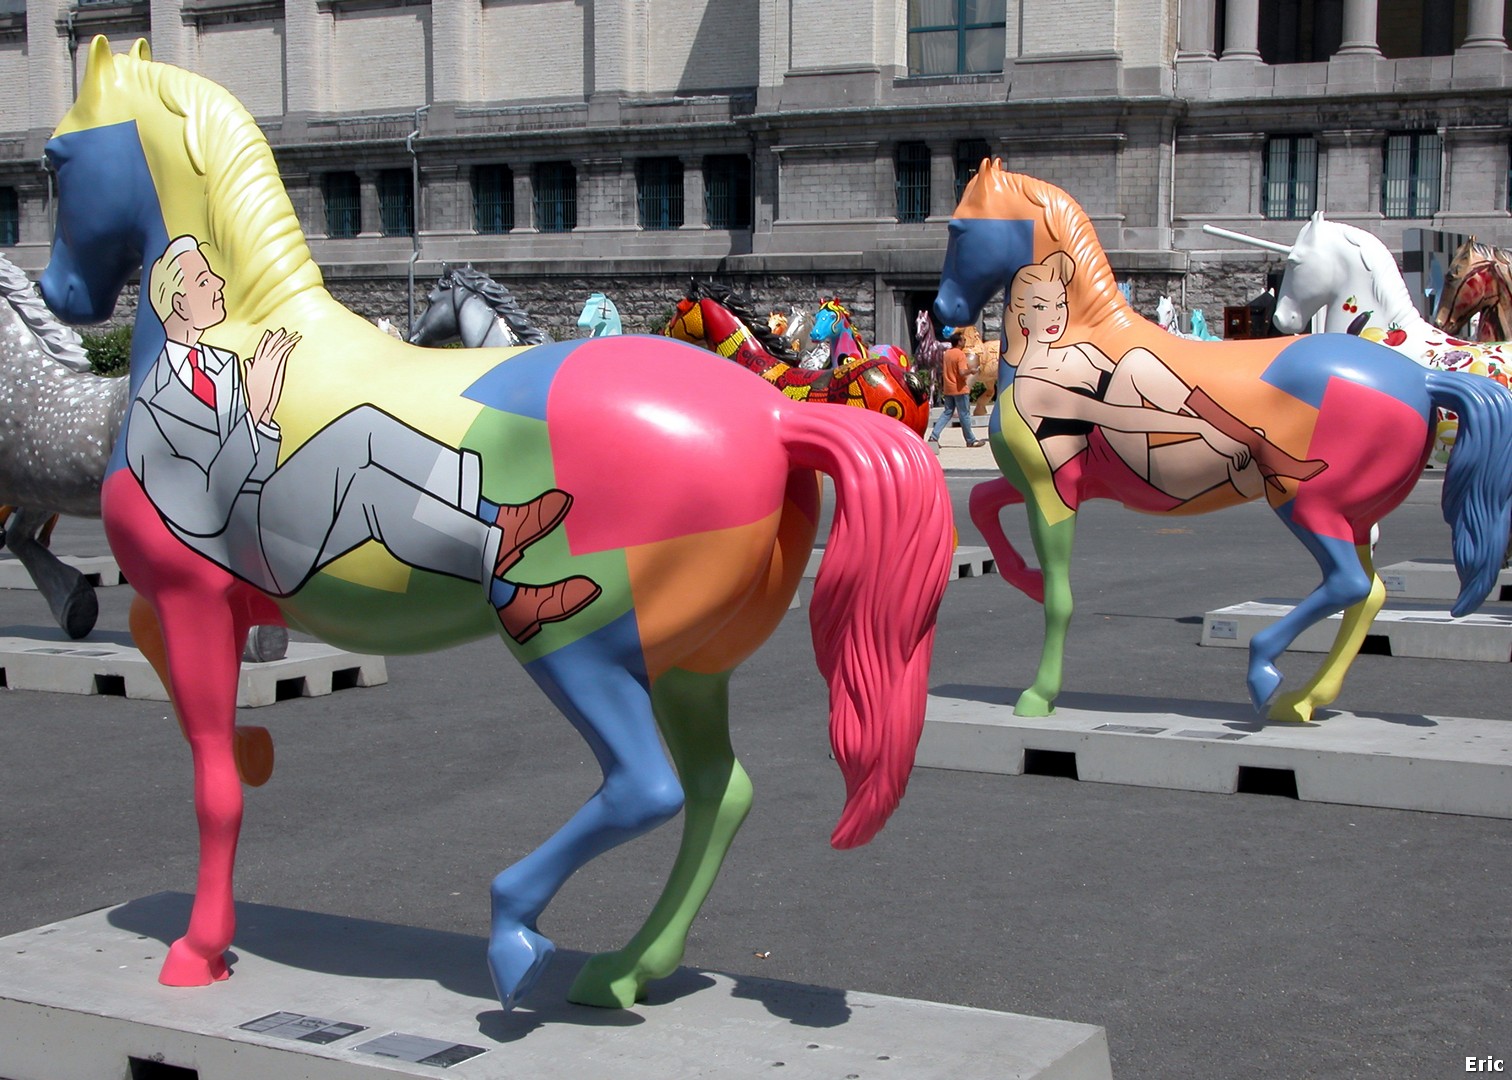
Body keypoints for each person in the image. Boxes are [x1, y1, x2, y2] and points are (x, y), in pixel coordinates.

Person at [126, 234, 600, 644]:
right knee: (361, 436)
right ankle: (500, 538)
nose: (219, 285)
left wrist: (260, 418)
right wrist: (256, 412)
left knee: (372, 468)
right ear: (179, 301)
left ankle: (500, 551)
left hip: (271, 516)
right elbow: (205, 510)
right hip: (245, 550)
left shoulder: (224, 366)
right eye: (205, 281)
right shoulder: (151, 407)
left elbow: (258, 464)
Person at [1004, 251, 1324, 512]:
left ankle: (1248, 441)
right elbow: (1118, 417)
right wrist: (1201, 427)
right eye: (1041, 307)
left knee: (1139, 361)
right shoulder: (1032, 382)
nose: (1055, 315)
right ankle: (1245, 441)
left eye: (1060, 304)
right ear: (1021, 318)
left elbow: (1151, 379)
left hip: (1129, 448)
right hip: (1113, 464)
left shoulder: (1080, 352)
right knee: (1135, 361)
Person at [928, 328, 985, 448]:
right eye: (963, 340)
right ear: (959, 342)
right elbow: (962, 372)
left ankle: (934, 436)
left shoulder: (947, 353)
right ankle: (971, 440)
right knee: (964, 414)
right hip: (959, 388)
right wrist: (972, 370)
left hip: (948, 388)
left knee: (947, 413)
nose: (965, 342)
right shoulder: (960, 354)